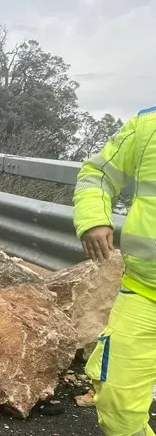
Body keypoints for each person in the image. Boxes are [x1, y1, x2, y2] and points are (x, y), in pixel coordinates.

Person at [74, 105, 156, 436]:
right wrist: (93, 217)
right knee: (117, 398)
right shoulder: (148, 125)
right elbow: (97, 173)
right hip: (144, 292)